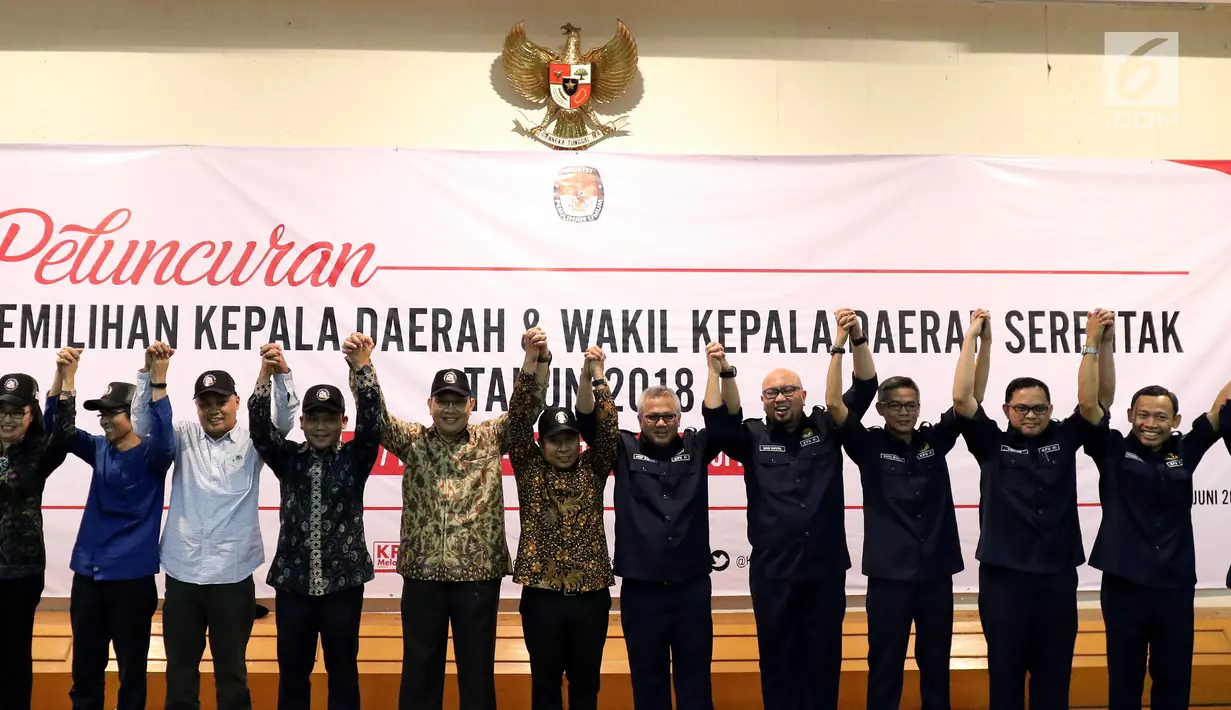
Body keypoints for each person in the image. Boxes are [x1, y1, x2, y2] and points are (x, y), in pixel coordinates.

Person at [353, 329, 545, 710]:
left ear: (471, 404)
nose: (451, 409)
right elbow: (373, 416)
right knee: (420, 673)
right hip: (423, 578)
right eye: (443, 401)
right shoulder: (412, 440)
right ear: (430, 404)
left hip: (478, 579)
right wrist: (362, 366)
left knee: (476, 675)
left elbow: (526, 411)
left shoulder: (490, 437)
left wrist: (532, 359)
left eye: (458, 401)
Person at [706, 311, 878, 710]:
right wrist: (718, 371)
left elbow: (865, 387)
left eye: (788, 390)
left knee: (822, 663)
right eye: (771, 393)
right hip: (773, 573)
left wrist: (856, 338)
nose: (780, 398)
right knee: (778, 663)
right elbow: (716, 422)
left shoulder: (828, 424)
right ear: (763, 401)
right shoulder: (751, 436)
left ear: (803, 394)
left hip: (824, 569)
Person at [826, 310, 991, 710]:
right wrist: (842, 341)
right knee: (885, 667)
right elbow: (833, 402)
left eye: (911, 405)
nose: (904, 412)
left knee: (935, 667)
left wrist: (979, 341)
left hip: (936, 575)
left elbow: (969, 398)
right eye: (896, 406)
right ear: (880, 409)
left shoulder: (935, 440)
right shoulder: (867, 446)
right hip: (888, 581)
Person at [953, 308, 1112, 710]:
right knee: (1005, 679)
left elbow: (1096, 400)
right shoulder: (989, 441)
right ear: (1007, 410)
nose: (1031, 415)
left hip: (1057, 578)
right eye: (1022, 408)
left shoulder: (1064, 436)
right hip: (1004, 580)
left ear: (1050, 410)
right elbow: (962, 397)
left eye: (1039, 408)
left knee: (1054, 678)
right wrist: (977, 339)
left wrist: (1096, 343)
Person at [130, 341, 301, 710]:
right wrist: (148, 375)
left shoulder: (254, 438)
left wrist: (280, 374)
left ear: (237, 402)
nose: (213, 409)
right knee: (179, 675)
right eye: (205, 402)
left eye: (220, 401)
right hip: (183, 574)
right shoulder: (183, 435)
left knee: (233, 674)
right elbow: (142, 425)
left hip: (233, 576)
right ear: (196, 407)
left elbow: (285, 420)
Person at [574, 341, 739, 710]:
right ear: (640, 420)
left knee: (695, 683)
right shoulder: (621, 447)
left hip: (691, 590)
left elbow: (723, 418)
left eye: (668, 416)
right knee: (648, 686)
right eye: (653, 417)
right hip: (641, 591)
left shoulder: (697, 446)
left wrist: (718, 370)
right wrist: (589, 376)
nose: (661, 422)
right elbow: (587, 420)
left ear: (679, 419)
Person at [1083, 340, 1231, 710]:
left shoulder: (1186, 449)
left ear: (1175, 421)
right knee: (1125, 679)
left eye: (1160, 417)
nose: (1150, 424)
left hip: (1175, 585)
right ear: (1131, 415)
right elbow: (1092, 404)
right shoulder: (1112, 448)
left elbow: (1219, 410)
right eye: (1143, 415)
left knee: (1174, 677)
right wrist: (1098, 346)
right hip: (1123, 585)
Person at [250, 334, 383, 710]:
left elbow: (373, 421)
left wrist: (362, 366)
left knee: (343, 674)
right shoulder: (288, 458)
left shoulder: (357, 458)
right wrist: (265, 374)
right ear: (303, 421)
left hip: (344, 585)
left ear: (343, 420)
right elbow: (260, 430)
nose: (321, 427)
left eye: (330, 419)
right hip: (293, 586)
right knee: (292, 675)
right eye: (314, 419)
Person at [58, 346, 176, 710]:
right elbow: (59, 430)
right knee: (86, 674)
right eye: (103, 414)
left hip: (131, 582)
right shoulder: (98, 449)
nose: (106, 420)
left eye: (114, 413)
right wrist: (68, 378)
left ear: (134, 415)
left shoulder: (154, 456)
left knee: (132, 678)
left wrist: (157, 379)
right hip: (88, 579)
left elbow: (165, 434)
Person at [507, 339, 618, 710]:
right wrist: (530, 361)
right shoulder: (529, 466)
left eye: (570, 438)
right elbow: (519, 418)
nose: (564, 447)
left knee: (587, 688)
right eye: (555, 440)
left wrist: (596, 377)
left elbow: (609, 427)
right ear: (542, 443)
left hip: (590, 598)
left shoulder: (594, 467)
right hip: (542, 598)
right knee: (544, 689)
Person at [0, 364, 75, 710]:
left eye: (17, 412)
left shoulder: (39, 453)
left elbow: (63, 431)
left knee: (14, 658)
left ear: (31, 414)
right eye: (2, 411)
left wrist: (66, 379)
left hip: (20, 574)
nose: (8, 419)